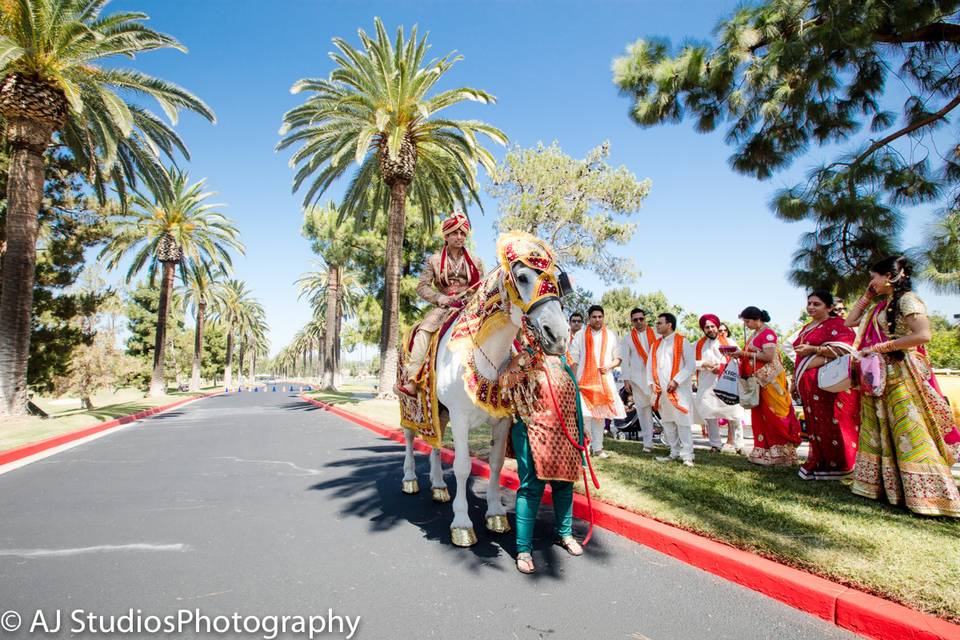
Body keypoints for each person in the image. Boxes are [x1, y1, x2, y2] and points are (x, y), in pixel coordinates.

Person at [845, 256, 960, 517]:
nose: (871, 281)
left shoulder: (909, 300)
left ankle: (929, 494)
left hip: (901, 371)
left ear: (890, 276)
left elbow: (923, 335)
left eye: (874, 276)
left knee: (908, 429)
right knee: (880, 427)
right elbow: (849, 322)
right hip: (878, 373)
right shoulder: (880, 305)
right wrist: (866, 297)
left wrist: (882, 347)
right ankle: (887, 488)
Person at [500, 350, 584, 573]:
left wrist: (582, 431)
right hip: (532, 429)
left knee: (564, 485)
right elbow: (505, 382)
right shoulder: (526, 356)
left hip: (565, 432)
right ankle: (523, 549)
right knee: (531, 487)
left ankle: (564, 534)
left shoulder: (564, 361)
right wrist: (524, 364)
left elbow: (575, 398)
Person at [396, 213, 483, 396]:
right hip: (444, 307)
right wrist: (440, 298)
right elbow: (421, 287)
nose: (459, 237)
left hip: (471, 305)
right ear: (446, 236)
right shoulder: (434, 260)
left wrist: (474, 296)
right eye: (455, 233)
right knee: (423, 332)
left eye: (462, 233)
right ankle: (413, 381)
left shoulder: (475, 261)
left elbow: (482, 286)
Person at [791, 290, 860, 480]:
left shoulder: (837, 324)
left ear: (829, 307)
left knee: (834, 422)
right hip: (809, 385)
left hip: (830, 385)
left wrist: (814, 350)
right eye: (809, 303)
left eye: (817, 304)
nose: (811, 307)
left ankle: (842, 464)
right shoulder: (807, 327)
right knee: (816, 424)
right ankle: (822, 461)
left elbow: (846, 349)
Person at [730, 307, 802, 466]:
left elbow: (768, 356)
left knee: (775, 415)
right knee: (761, 415)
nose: (746, 324)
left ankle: (781, 455)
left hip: (771, 381)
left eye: (747, 321)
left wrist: (744, 354)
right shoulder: (755, 334)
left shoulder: (768, 333)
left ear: (757, 319)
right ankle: (764, 452)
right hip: (759, 382)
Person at [569, 304, 625, 459]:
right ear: (589, 318)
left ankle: (598, 448)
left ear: (603, 317)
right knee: (585, 416)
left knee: (599, 417)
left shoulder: (611, 335)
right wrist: (573, 380)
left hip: (603, 381)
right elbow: (573, 358)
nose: (597, 319)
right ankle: (585, 447)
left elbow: (618, 357)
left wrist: (609, 366)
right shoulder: (580, 335)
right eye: (594, 317)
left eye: (600, 316)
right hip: (583, 381)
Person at [648, 313, 696, 467]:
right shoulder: (656, 344)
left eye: (660, 322)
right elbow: (649, 366)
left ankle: (687, 455)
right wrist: (651, 383)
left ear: (669, 325)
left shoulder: (683, 341)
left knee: (683, 422)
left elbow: (690, 366)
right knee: (668, 421)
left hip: (678, 390)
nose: (657, 325)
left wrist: (676, 380)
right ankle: (674, 452)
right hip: (661, 390)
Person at [694, 313, 745, 454]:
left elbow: (739, 361)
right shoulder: (698, 345)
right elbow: (689, 363)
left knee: (734, 414)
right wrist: (703, 364)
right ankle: (715, 444)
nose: (710, 329)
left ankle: (738, 444)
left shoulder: (730, 342)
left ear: (717, 327)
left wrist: (721, 367)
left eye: (712, 326)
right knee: (710, 414)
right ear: (703, 329)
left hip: (727, 383)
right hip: (707, 385)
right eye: (707, 327)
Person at [618, 307, 657, 451]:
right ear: (631, 321)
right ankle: (648, 444)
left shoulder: (657, 333)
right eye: (635, 320)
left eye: (641, 319)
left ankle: (674, 444)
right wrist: (626, 380)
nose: (639, 322)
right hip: (638, 379)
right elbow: (625, 360)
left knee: (665, 410)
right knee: (643, 411)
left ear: (645, 319)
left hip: (657, 379)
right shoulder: (627, 337)